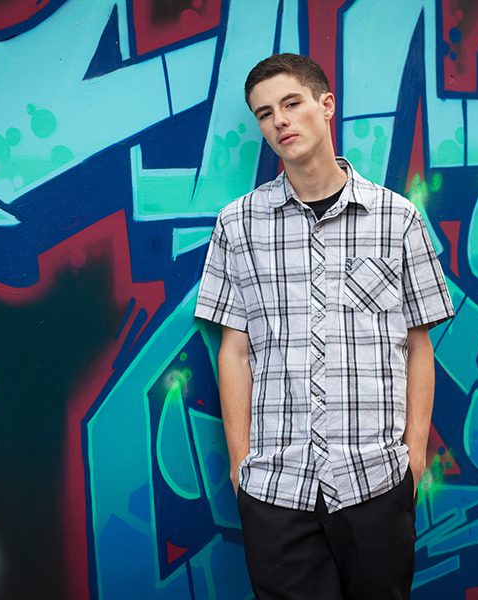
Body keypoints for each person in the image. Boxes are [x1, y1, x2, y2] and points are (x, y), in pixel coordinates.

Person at [194, 53, 454, 599]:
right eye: (265, 113)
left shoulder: (396, 218)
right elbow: (234, 351)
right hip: (276, 488)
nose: (280, 121)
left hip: (375, 480)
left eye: (291, 103)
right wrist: (242, 464)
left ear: (326, 105)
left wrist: (413, 456)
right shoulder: (238, 224)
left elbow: (418, 344)